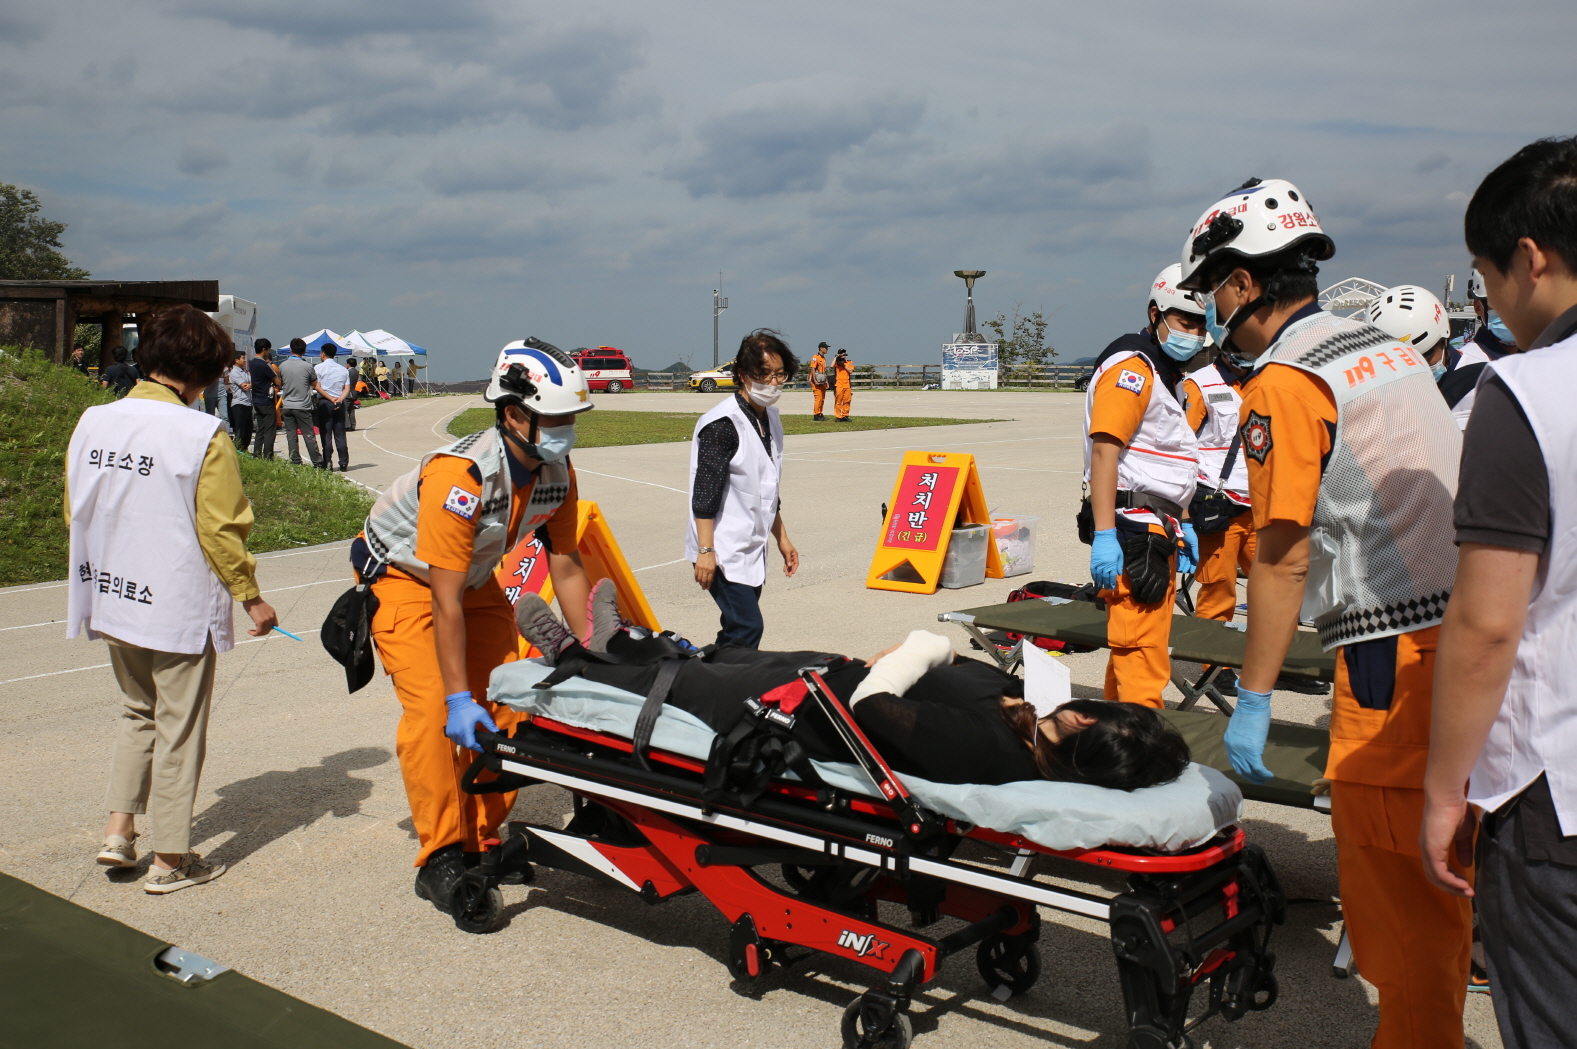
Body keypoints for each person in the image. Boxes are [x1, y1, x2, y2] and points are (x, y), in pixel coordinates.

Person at [1179, 177, 1468, 1049]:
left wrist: (1253, 694)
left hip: (1391, 651)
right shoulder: (1382, 349)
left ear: (1241, 282)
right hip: (1460, 632)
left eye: (1212, 291)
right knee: (1440, 881)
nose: (1212, 313)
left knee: (1394, 888)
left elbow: (1281, 553)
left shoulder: (1287, 378)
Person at [1420, 136, 1577, 1049]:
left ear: (1529, 258)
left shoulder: (1523, 392)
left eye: (1486, 279)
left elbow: (1485, 624)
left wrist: (1446, 790)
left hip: (1557, 790)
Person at [355, 338, 595, 917]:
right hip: (408, 581)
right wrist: (459, 697)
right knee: (434, 714)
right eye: (554, 419)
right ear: (513, 414)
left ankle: (481, 838)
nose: (566, 430)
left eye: (571, 419)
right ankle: (440, 855)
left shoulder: (555, 470)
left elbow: (565, 563)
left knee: (512, 699)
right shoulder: (460, 477)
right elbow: (443, 599)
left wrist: (591, 652)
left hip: (473, 578)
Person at [67, 304, 279, 894]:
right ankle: (170, 858)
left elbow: (75, 509)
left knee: (137, 710)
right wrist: (251, 596)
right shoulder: (200, 433)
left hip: (113, 592)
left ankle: (118, 832)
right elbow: (221, 527)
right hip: (175, 600)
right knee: (179, 726)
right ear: (204, 374)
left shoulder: (94, 420)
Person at [520, 611, 1193, 791]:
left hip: (797, 711)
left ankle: (571, 658)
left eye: (1091, 716)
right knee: (712, 657)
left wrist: (923, 649)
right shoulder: (1032, 724)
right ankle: (620, 642)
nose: (1084, 707)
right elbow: (947, 673)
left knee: (686, 684)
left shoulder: (988, 750)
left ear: (1083, 729)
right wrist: (936, 657)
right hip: (823, 674)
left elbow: (872, 708)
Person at [1081, 264, 1201, 708]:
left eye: (1202, 324)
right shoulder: (1133, 370)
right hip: (1135, 529)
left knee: (1134, 650)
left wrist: (1184, 521)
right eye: (1186, 321)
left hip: (1156, 524)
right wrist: (1105, 534)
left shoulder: (1166, 375)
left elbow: (1166, 462)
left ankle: (1117, 736)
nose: (1195, 333)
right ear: (1156, 314)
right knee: (1143, 655)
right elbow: (1105, 452)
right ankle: (1140, 739)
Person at [687, 329, 801, 649]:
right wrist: (706, 552)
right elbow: (705, 494)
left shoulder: (770, 419)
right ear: (742, 373)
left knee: (736, 629)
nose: (773, 383)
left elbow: (767, 489)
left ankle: (708, 670)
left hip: (751, 545)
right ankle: (724, 678)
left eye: (780, 374)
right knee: (747, 627)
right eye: (764, 374)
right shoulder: (723, 424)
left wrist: (782, 538)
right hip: (720, 547)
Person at [1180, 342, 1252, 653]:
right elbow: (1179, 447)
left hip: (1263, 503)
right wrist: (1184, 514)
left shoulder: (1268, 379)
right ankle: (1214, 665)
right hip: (1219, 504)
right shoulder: (1199, 385)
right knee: (1219, 589)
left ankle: (1274, 661)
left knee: (1276, 589)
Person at [1438, 267, 1521, 427]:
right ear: (1478, 307)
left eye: (1520, 302)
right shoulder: (1465, 371)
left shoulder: (1543, 360)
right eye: (1499, 303)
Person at [1366, 285, 1459, 423]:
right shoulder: (1378, 402)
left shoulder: (1474, 386)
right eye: (1400, 364)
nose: (1415, 369)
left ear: (1445, 340)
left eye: (1425, 356)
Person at [278, 337, 323, 468]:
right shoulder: (307, 366)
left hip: (287, 405)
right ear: (304, 351)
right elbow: (315, 384)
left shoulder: (282, 366)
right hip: (303, 405)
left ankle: (295, 461)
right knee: (309, 435)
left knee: (291, 436)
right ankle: (317, 462)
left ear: (290, 350)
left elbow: (282, 382)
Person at [312, 344, 350, 471]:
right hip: (339, 402)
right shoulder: (343, 369)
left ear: (323, 353)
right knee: (340, 433)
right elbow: (347, 388)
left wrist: (330, 398)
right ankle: (343, 462)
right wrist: (339, 400)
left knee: (326, 434)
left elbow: (317, 387)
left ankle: (327, 462)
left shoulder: (318, 368)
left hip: (325, 402)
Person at [247, 340, 279, 459]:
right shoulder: (264, 365)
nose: (268, 352)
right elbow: (277, 381)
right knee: (270, 430)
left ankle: (257, 453)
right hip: (266, 401)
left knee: (260, 428)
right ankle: (268, 456)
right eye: (268, 350)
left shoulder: (252, 363)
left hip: (256, 399)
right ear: (264, 350)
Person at [227, 350, 253, 452]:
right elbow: (245, 386)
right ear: (236, 360)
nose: (245, 361)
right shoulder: (234, 372)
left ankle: (244, 450)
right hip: (239, 404)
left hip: (248, 403)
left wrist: (251, 384)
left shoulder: (245, 372)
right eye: (243, 358)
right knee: (240, 431)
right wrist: (251, 384)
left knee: (248, 431)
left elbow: (251, 382)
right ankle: (238, 451)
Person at [809, 342, 829, 420]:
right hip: (816, 381)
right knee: (818, 398)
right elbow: (813, 368)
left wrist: (826, 381)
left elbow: (824, 371)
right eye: (826, 348)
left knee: (822, 398)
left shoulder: (824, 359)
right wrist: (814, 380)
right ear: (821, 348)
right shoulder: (815, 357)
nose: (827, 349)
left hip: (822, 380)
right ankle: (816, 414)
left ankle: (820, 413)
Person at [832, 347, 853, 421]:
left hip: (847, 384)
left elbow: (850, 371)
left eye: (844, 354)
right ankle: (838, 416)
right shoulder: (837, 364)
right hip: (839, 384)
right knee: (838, 401)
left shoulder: (849, 362)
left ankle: (845, 415)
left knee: (847, 400)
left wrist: (844, 365)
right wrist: (836, 357)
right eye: (841, 354)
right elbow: (831, 366)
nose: (843, 355)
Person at [344, 356, 361, 431]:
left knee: (345, 409)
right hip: (353, 392)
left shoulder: (348, 372)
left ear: (348, 364)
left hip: (348, 392)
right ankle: (352, 425)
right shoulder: (356, 371)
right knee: (351, 410)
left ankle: (347, 425)